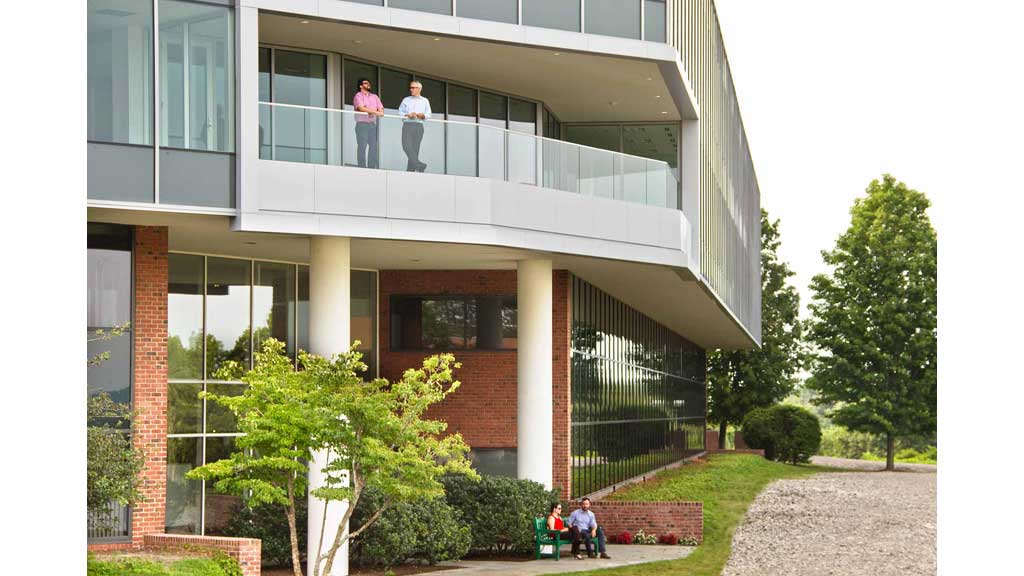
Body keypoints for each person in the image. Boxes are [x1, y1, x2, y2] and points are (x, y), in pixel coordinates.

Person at [398, 81, 432, 172]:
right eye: (411, 87)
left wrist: (423, 116)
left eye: (413, 88)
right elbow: (400, 113)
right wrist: (408, 115)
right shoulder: (406, 100)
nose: (411, 89)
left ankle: (410, 170)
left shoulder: (425, 100)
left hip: (419, 125)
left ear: (419, 89)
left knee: (415, 148)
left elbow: (429, 114)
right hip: (408, 125)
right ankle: (419, 165)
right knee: (406, 146)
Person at [352, 78, 384, 168]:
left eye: (369, 83)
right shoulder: (358, 95)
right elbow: (361, 108)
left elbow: (381, 110)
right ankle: (362, 167)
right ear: (361, 86)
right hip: (362, 124)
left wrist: (372, 111)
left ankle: (371, 167)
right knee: (362, 146)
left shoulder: (375, 96)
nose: (368, 84)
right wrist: (375, 111)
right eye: (366, 83)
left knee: (374, 146)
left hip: (372, 125)